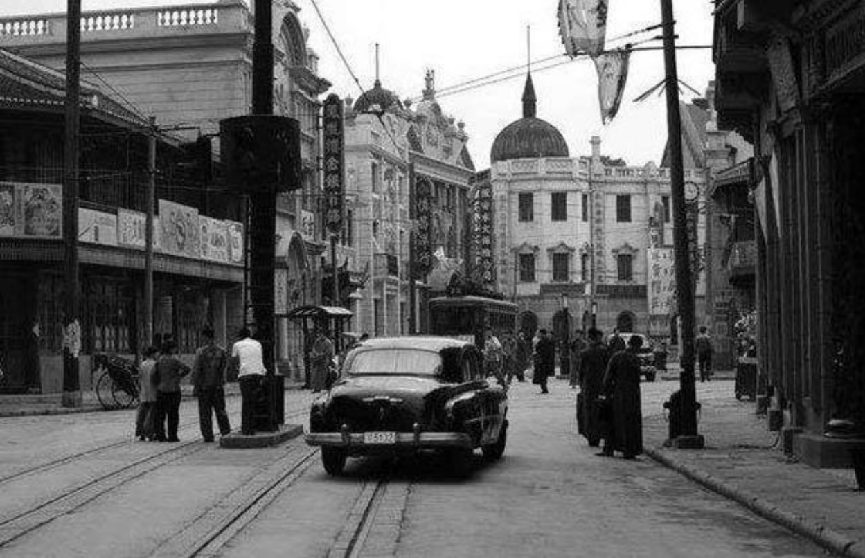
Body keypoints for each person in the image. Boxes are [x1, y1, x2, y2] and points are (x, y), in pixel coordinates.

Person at [599, 334, 644, 459]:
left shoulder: (617, 356)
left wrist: (606, 392)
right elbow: (637, 378)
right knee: (630, 422)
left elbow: (608, 377)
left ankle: (609, 448)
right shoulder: (635, 359)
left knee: (612, 421)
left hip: (617, 393)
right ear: (638, 347)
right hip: (632, 394)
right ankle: (629, 450)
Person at [191, 327, 231, 442]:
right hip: (218, 386)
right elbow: (224, 368)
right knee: (221, 411)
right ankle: (226, 433)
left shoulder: (200, 352)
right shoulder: (221, 351)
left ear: (205, 337)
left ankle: (208, 436)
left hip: (204, 387)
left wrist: (195, 386)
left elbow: (197, 370)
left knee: (205, 413)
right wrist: (222, 382)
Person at [153, 339, 190, 442]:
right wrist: (179, 376)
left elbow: (155, 374)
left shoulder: (159, 360)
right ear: (172, 349)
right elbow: (187, 368)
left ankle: (161, 435)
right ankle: (172, 436)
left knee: (160, 415)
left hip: (161, 389)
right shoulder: (175, 360)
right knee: (173, 414)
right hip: (173, 389)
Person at [231, 327, 266, 436]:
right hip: (258, 374)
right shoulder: (258, 344)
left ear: (240, 336)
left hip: (245, 374)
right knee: (253, 401)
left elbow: (234, 360)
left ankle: (246, 429)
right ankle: (253, 427)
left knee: (246, 402)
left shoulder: (237, 345)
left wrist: (236, 371)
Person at [578, 329, 609, 447]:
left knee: (589, 410)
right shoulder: (605, 351)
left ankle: (592, 436)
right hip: (602, 384)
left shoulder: (585, 353)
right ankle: (602, 434)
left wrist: (581, 385)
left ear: (590, 338)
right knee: (602, 409)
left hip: (589, 385)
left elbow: (581, 371)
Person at [135, 346, 159, 441]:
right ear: (153, 354)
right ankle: (150, 432)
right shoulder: (155, 364)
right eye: (157, 353)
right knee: (152, 414)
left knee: (142, 413)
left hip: (144, 391)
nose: (158, 355)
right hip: (154, 391)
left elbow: (139, 377)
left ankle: (141, 432)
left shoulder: (142, 364)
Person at [534, 329, 556, 394]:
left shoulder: (544, 341)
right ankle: (544, 388)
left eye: (539, 333)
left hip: (543, 361)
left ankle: (544, 389)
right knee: (543, 376)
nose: (537, 334)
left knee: (542, 375)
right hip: (545, 361)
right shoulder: (545, 340)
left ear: (542, 334)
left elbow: (539, 349)